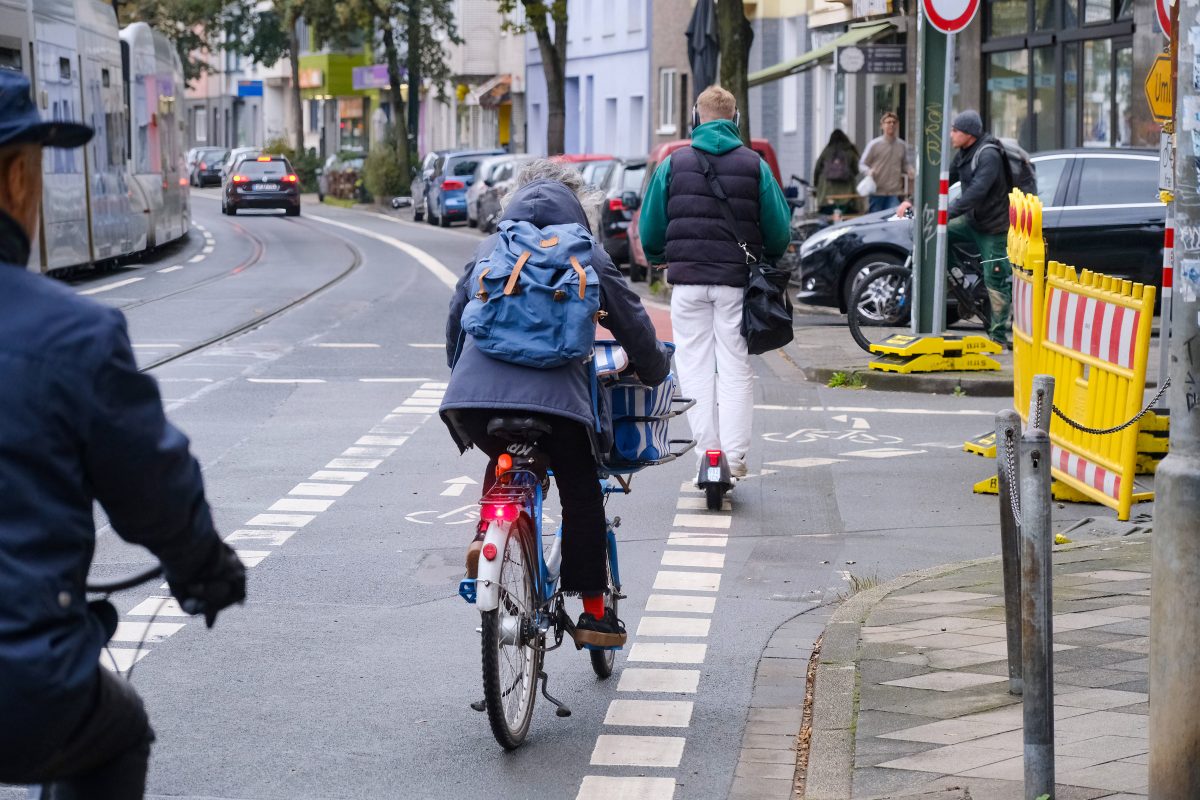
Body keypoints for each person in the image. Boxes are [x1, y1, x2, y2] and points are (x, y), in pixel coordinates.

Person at [0, 70, 246, 799]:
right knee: (115, 734)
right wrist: (203, 566)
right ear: (17, 178)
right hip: (21, 687)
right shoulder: (70, 332)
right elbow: (151, 486)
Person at [441, 159, 670, 648]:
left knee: (502, 458)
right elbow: (632, 324)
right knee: (581, 492)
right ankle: (593, 614)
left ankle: (487, 533)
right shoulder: (586, 252)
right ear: (577, 206)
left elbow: (456, 320)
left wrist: (463, 377)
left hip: (478, 401)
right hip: (558, 409)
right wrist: (654, 371)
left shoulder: (489, 247)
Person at [637, 85, 791, 480]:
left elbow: (651, 223)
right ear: (735, 119)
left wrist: (658, 257)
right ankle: (735, 456)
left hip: (688, 282)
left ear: (695, 118)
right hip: (736, 283)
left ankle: (707, 454)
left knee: (693, 366)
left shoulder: (673, 163)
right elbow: (778, 229)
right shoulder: (755, 165)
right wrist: (768, 259)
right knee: (736, 367)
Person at [946, 109, 1012, 347]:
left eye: (955, 131)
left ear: (969, 134)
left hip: (993, 227)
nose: (951, 135)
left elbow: (977, 191)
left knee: (995, 279)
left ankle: (998, 337)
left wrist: (948, 212)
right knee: (939, 237)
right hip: (973, 220)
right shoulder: (964, 152)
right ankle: (961, 283)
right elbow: (945, 178)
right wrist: (915, 201)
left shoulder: (988, 155)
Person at [860, 111, 914, 213]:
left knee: (893, 218)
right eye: (888, 122)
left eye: (894, 122)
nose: (891, 125)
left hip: (894, 192)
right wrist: (868, 171)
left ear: (897, 125)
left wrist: (909, 170)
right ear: (882, 126)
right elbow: (862, 164)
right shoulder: (874, 145)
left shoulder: (902, 145)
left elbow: (904, 164)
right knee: (875, 221)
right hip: (877, 191)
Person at [813, 129, 862, 216]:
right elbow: (856, 170)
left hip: (826, 194)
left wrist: (816, 187)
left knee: (827, 219)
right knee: (847, 218)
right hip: (847, 195)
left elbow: (817, 169)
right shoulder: (850, 151)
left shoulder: (826, 151)